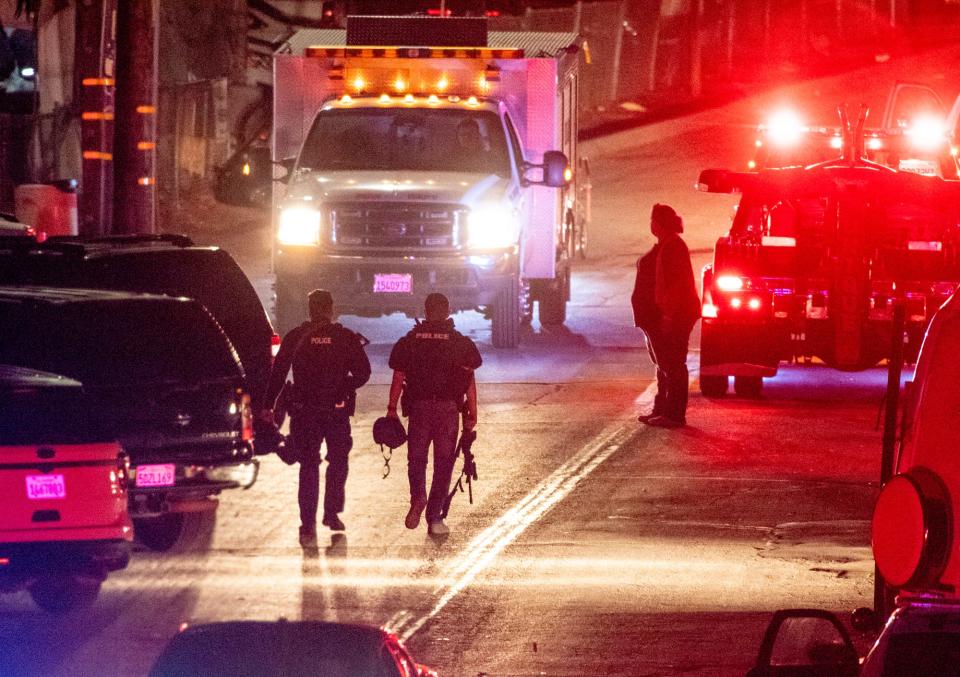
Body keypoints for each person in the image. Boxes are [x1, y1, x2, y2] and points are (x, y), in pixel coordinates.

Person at [262, 289, 371, 545]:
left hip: (304, 412)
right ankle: (332, 514)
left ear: (309, 309)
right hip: (336, 412)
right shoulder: (345, 337)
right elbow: (363, 373)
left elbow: (277, 374)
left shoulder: (296, 337)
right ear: (331, 308)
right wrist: (345, 386)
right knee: (338, 462)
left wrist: (268, 407)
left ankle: (307, 524)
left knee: (308, 466)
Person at [387, 293, 482, 536]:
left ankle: (418, 496)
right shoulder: (459, 342)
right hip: (448, 411)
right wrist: (472, 412)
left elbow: (398, 375)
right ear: (448, 311)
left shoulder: (410, 340)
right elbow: (469, 378)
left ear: (426, 311)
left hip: (419, 410)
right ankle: (434, 517)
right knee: (443, 464)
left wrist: (391, 409)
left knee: (416, 460)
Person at [631, 204, 700, 428]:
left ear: (659, 224)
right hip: (659, 317)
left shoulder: (674, 248)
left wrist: (668, 317)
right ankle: (661, 409)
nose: (651, 225)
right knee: (663, 365)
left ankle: (674, 414)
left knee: (673, 365)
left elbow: (676, 288)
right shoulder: (666, 246)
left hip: (673, 317)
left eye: (653, 221)